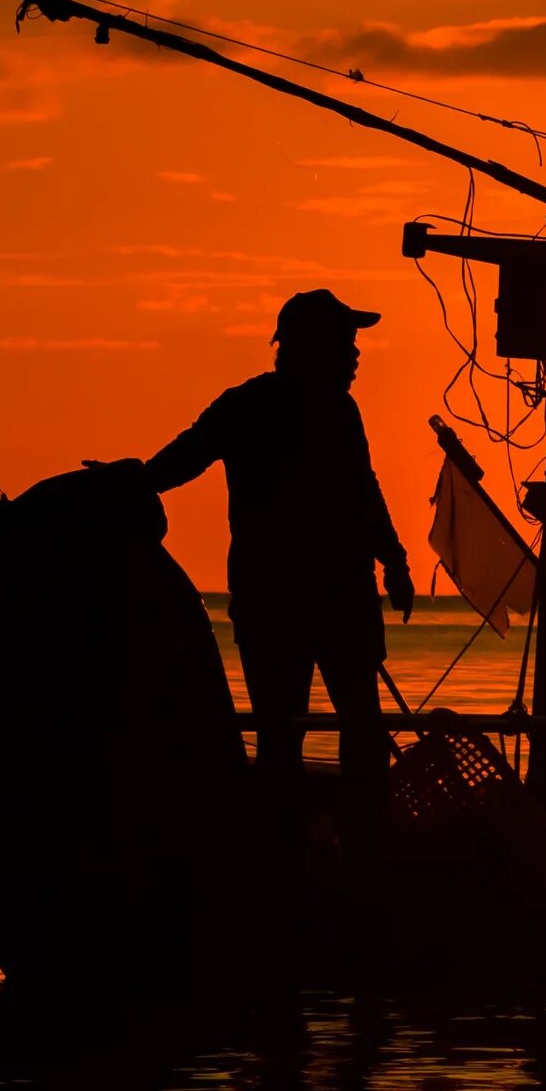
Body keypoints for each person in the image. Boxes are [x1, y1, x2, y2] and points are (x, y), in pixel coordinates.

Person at [143, 289, 415, 849]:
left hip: (321, 599)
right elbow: (182, 459)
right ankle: (291, 846)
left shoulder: (331, 409)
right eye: (346, 343)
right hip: (289, 603)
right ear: (311, 347)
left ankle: (343, 841)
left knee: (341, 726)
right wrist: (129, 483)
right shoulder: (253, 406)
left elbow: (364, 489)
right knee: (297, 729)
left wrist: (394, 560)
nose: (355, 355)